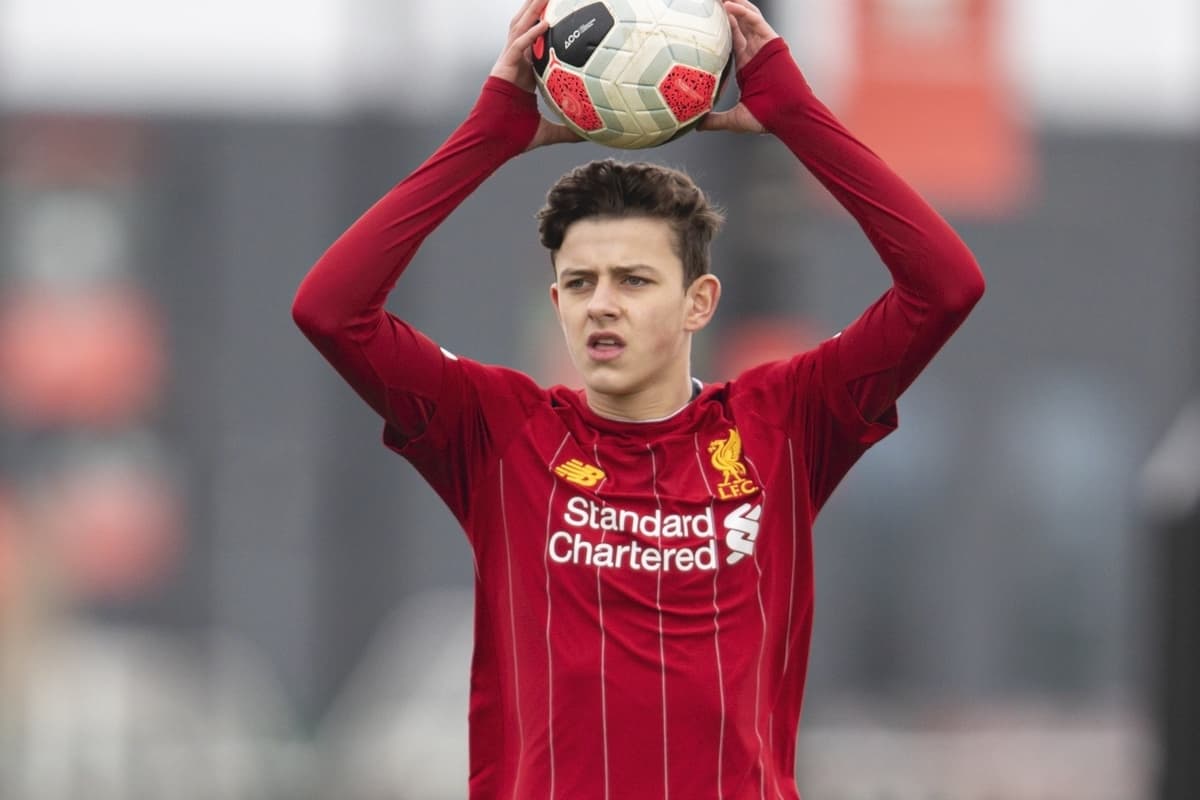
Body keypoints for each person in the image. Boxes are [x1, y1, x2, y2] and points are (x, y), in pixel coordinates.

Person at [292, 0, 985, 797]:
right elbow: (330, 309)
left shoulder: (784, 424)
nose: (602, 304)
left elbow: (946, 286)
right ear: (557, 303)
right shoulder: (500, 431)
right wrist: (486, 137)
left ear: (700, 302)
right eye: (580, 283)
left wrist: (798, 116)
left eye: (634, 280)